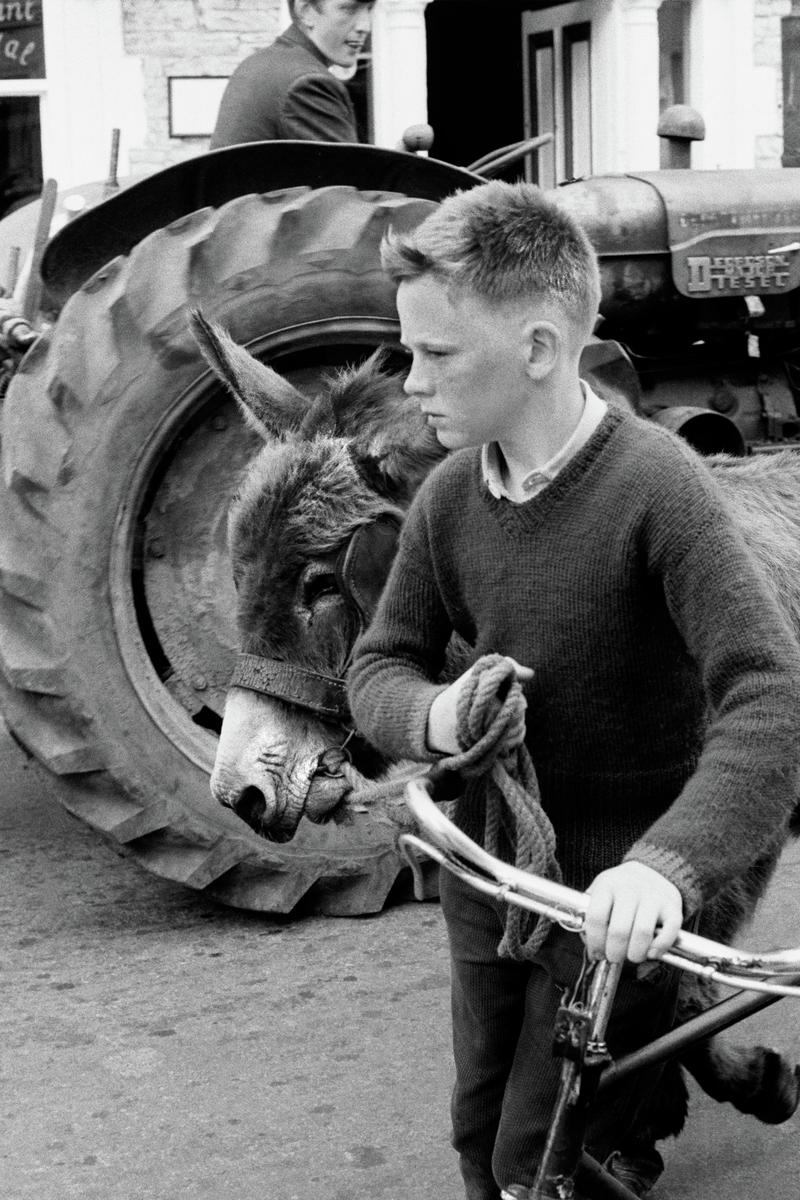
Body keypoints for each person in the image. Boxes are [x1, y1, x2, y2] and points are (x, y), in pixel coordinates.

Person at [346, 180, 800, 1199]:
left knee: (535, 1157)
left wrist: (665, 870)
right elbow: (378, 661)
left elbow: (769, 697)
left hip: (605, 911)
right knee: (476, 1128)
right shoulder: (449, 495)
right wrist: (431, 713)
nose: (408, 383)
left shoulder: (657, 490)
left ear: (540, 349)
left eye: (435, 355)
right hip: (490, 881)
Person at [210, 0, 374, 149]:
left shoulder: (260, 63)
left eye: (369, 9)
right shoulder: (308, 82)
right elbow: (350, 176)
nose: (365, 26)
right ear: (306, 12)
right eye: (349, 9)